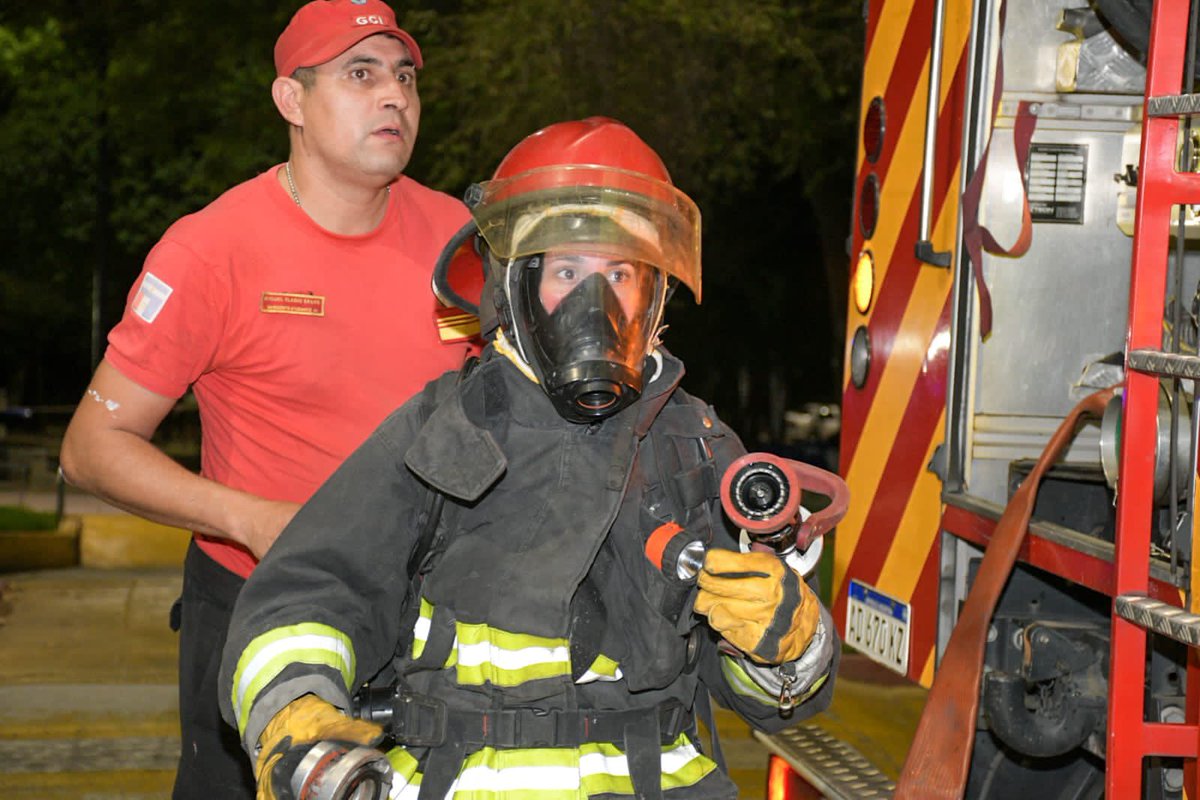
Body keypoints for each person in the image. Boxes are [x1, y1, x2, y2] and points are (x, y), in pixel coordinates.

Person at [218, 117, 838, 800]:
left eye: (620, 274)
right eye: (567, 271)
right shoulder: (444, 433)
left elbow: (774, 698)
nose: (592, 304)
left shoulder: (695, 446)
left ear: (654, 292)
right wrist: (294, 709)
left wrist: (790, 645)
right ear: (511, 285)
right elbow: (312, 597)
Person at [57, 1, 476, 797]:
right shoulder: (211, 250)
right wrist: (252, 519)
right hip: (262, 598)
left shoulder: (456, 238)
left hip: (427, 607)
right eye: (361, 75)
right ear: (291, 100)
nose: (394, 96)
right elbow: (91, 448)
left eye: (404, 76)